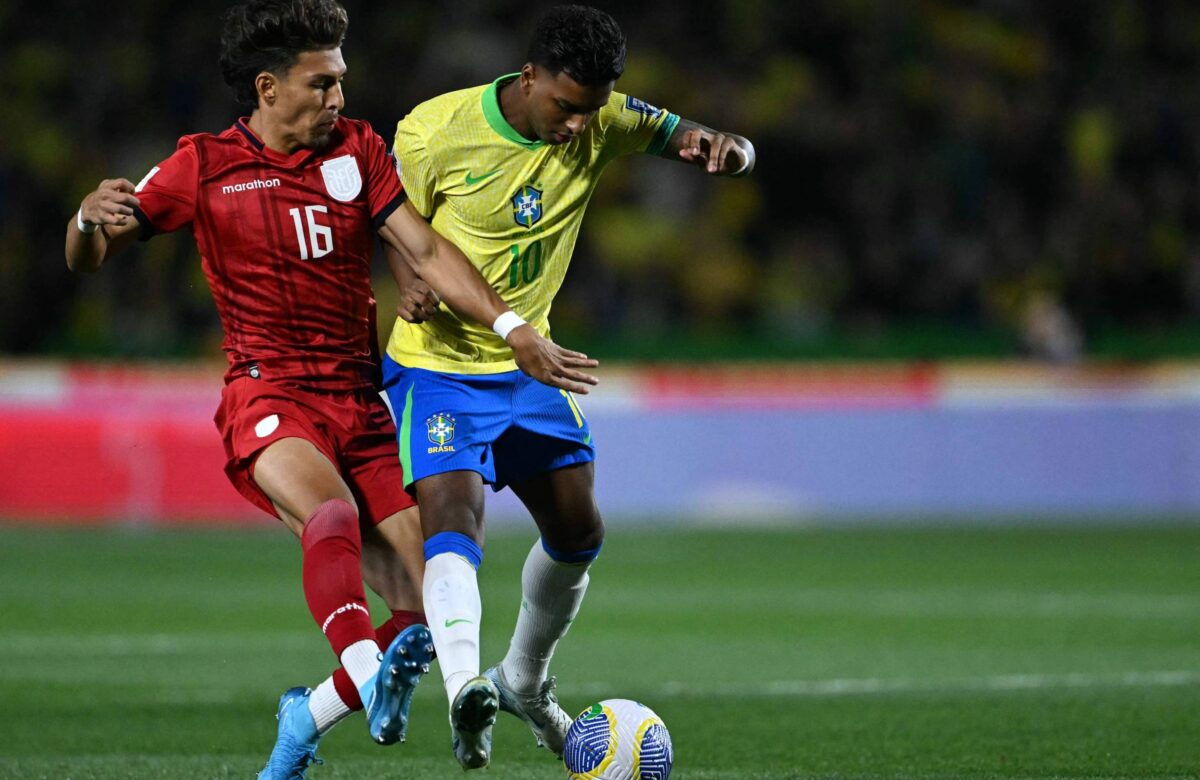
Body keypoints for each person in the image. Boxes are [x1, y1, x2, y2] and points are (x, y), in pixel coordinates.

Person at [63, 1, 599, 778]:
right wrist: (84, 221)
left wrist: (515, 328)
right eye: (321, 84)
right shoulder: (202, 165)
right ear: (268, 87)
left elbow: (425, 248)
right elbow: (92, 253)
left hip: (361, 399)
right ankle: (356, 661)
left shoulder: (358, 150)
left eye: (342, 81)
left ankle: (304, 716)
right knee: (333, 511)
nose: (338, 99)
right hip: (269, 392)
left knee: (428, 610)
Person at [378, 4, 756, 770]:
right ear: (528, 78)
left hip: (531, 364)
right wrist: (407, 280)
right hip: (437, 365)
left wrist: (725, 149)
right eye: (566, 108)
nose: (580, 126)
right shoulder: (432, 130)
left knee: (580, 530)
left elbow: (689, 136)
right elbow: (394, 224)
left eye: (591, 111)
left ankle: (521, 676)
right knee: (453, 515)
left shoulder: (606, 115)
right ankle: (462, 688)